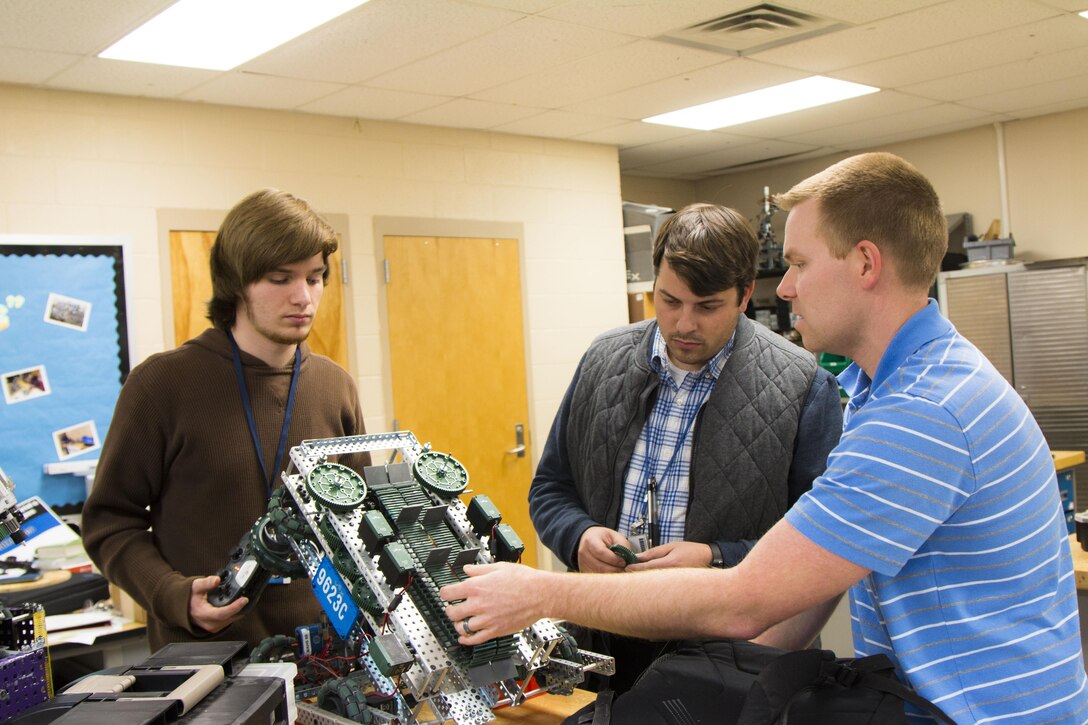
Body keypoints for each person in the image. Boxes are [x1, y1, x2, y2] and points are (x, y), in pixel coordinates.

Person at [442, 153, 1088, 722]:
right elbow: (816, 576)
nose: (786, 286)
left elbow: (745, 598)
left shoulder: (921, 413)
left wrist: (534, 592)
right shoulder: (896, 388)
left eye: (802, 262)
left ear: (865, 262)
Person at [529, 202, 843, 690]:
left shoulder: (804, 387)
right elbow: (550, 487)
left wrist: (715, 558)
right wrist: (579, 537)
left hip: (731, 668)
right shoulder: (601, 360)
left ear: (743, 296)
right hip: (604, 648)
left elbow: (821, 551)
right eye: (669, 300)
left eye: (707, 306)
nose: (683, 324)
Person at [83, 188, 370, 651]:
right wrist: (171, 594)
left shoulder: (335, 386)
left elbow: (357, 519)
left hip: (327, 660)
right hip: (207, 663)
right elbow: (109, 523)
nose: (304, 297)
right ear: (237, 283)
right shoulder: (162, 385)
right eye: (281, 278)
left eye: (315, 278)